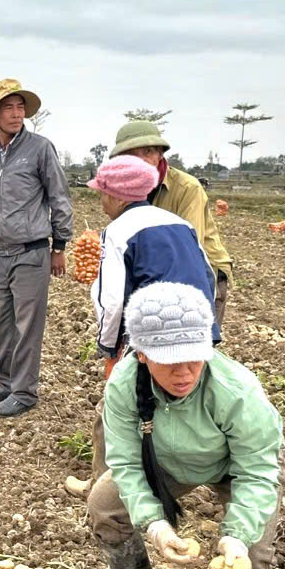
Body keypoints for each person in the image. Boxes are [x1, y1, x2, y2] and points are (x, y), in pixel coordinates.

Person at [88, 282, 284, 569]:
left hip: (236, 469)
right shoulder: (123, 385)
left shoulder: (237, 390)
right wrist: (156, 526)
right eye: (169, 361)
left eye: (194, 358)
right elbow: (125, 462)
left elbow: (257, 470)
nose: (184, 373)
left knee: (251, 552)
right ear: (142, 355)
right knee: (105, 505)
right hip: (164, 461)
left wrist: (236, 538)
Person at [65, 156, 218, 498]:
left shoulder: (118, 232)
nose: (101, 200)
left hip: (150, 335)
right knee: (184, 403)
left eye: (102, 193)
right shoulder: (179, 224)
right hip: (196, 334)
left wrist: (108, 346)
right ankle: (194, 473)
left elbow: (112, 301)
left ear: (117, 197)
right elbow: (208, 275)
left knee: (115, 404)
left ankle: (102, 486)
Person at [0, 78, 74, 418]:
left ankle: (24, 392)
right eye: (8, 108)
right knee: (3, 321)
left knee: (27, 324)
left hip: (32, 252)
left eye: (20, 107)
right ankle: (5, 383)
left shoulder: (40, 148)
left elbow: (59, 197)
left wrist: (59, 245)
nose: (16, 114)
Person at [109, 121, 234, 327]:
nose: (140, 161)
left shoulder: (187, 188)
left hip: (200, 276)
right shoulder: (123, 191)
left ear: (160, 155)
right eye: (131, 155)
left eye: (147, 152)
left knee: (191, 350)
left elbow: (188, 251)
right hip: (153, 275)